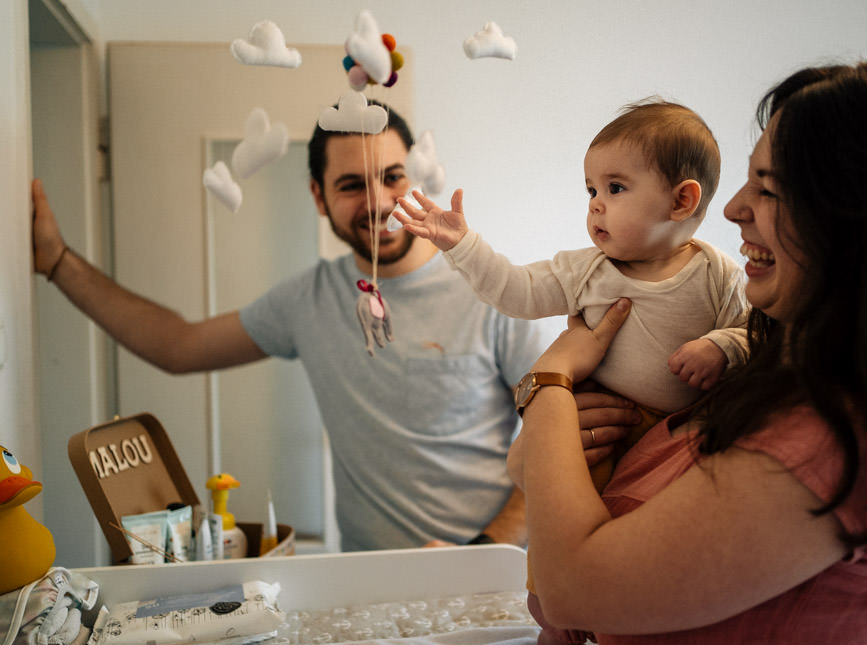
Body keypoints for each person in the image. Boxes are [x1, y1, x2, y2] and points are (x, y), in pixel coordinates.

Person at [506, 58, 867, 645]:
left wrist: (549, 383)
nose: (734, 207)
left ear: (860, 223)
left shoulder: (835, 438)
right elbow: (539, 476)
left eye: (768, 188)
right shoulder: (769, 371)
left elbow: (573, 591)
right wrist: (549, 444)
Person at [30, 101, 556, 552]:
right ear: (318, 196)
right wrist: (57, 262)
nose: (376, 201)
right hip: (368, 591)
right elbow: (178, 346)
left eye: (391, 177)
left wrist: (489, 547)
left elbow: (562, 433)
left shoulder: (493, 292)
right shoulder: (307, 299)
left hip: (493, 577)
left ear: (414, 174)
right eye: (350, 185)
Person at [395, 98, 749, 645]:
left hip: (679, 437)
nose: (595, 208)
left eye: (614, 188)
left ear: (682, 199)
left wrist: (721, 346)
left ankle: (626, 628)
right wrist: (462, 245)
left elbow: (756, 336)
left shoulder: (718, 275)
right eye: (590, 191)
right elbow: (515, 290)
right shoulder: (588, 270)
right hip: (599, 420)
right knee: (562, 520)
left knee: (644, 548)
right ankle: (551, 619)